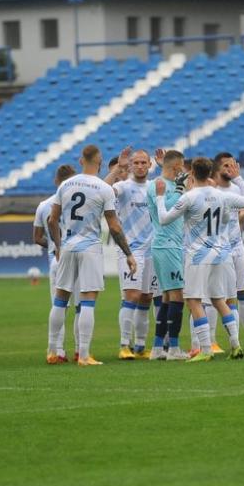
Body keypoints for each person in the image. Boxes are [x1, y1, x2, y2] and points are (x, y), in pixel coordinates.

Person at [155, 157, 244, 362]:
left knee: (193, 300)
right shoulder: (223, 195)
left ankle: (206, 350)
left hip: (198, 257)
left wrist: (159, 197)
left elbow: (164, 219)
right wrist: (238, 179)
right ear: (210, 173)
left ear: (192, 173)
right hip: (222, 255)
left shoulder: (189, 197)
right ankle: (235, 345)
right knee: (219, 300)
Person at [46, 144, 136, 366]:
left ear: (80, 161)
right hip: (90, 248)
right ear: (100, 162)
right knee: (87, 301)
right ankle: (84, 355)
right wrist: (128, 253)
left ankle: (52, 351)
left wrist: (58, 245)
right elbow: (114, 226)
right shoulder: (103, 188)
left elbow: (52, 219)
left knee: (60, 299)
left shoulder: (65, 185)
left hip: (68, 246)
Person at [106, 148, 157, 359]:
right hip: (131, 250)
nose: (140, 166)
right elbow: (102, 190)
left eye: (143, 162)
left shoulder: (155, 187)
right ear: (131, 165)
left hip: (152, 250)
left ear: (150, 165)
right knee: (132, 295)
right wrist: (117, 168)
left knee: (146, 298)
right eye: (136, 163)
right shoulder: (124, 186)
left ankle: (140, 346)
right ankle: (124, 345)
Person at [213, 153, 244, 352]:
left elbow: (238, 221)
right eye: (226, 165)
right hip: (217, 249)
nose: (230, 169)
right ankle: (212, 341)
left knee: (243, 293)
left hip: (237, 247)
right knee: (214, 297)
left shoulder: (237, 189)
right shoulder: (212, 190)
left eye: (232, 165)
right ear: (217, 168)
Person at [147, 149, 189, 361]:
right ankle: (173, 348)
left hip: (171, 246)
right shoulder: (158, 184)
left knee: (166, 297)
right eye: (181, 166)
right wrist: (180, 189)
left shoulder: (170, 183)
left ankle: (157, 348)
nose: (184, 170)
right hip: (166, 246)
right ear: (176, 167)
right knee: (177, 296)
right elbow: (170, 209)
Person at [34, 163, 76, 363]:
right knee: (82, 306)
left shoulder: (44, 206)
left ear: (56, 181)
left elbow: (36, 238)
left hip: (56, 259)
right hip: (78, 255)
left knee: (59, 306)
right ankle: (81, 350)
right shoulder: (78, 203)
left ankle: (57, 350)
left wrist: (53, 245)